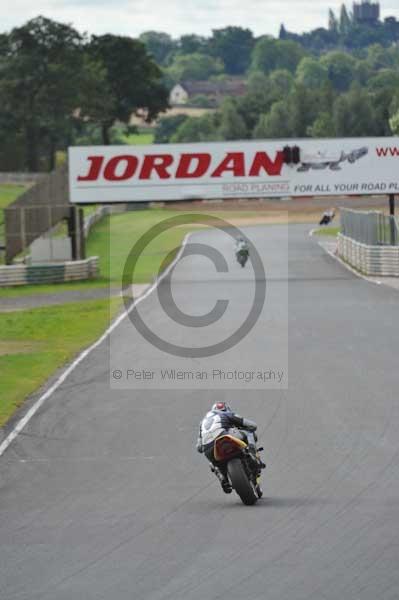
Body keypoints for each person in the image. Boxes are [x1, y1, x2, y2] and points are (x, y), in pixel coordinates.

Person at [196, 401, 265, 493]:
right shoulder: (227, 414)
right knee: (249, 432)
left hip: (209, 449)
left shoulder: (202, 423)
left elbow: (199, 448)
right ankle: (252, 454)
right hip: (225, 436)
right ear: (226, 409)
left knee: (214, 463)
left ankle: (222, 476)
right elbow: (252, 425)